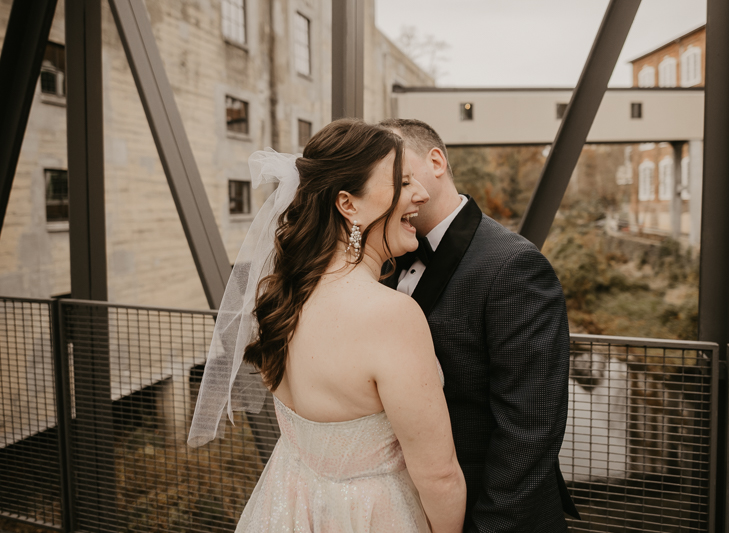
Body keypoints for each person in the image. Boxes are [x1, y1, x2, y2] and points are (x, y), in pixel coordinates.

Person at [188, 119, 466, 532]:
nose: (421, 194)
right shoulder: (391, 317)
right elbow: (439, 476)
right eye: (403, 182)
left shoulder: (280, 296)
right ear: (347, 204)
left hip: (288, 505)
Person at [380, 118, 580, 532]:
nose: (389, 190)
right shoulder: (382, 259)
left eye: (398, 174)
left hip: (491, 511)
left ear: (436, 161)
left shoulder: (514, 266)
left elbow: (530, 427)